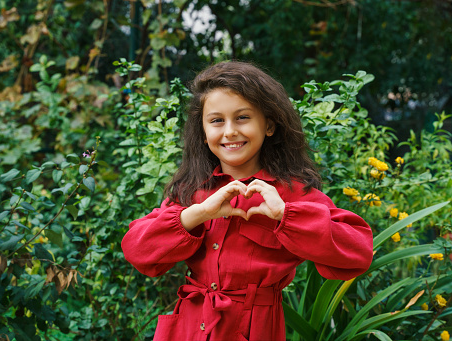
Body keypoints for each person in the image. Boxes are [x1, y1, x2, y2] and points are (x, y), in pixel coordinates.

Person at [121, 61, 373, 341]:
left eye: (242, 117)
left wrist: (284, 214)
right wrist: (199, 213)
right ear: (204, 134)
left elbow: (358, 252)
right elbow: (138, 251)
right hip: (189, 328)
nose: (229, 131)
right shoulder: (191, 190)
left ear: (269, 125)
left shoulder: (290, 193)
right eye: (216, 121)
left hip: (253, 329)